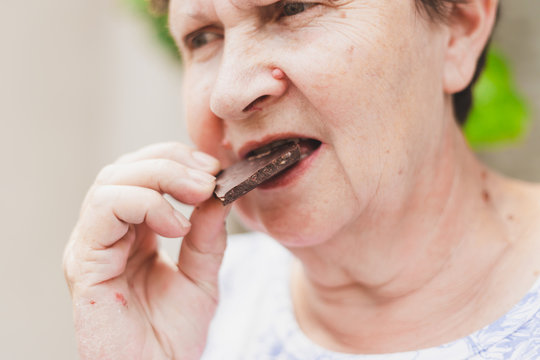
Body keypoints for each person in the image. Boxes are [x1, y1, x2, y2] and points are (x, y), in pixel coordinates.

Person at [63, 0, 540, 358]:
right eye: (203, 37)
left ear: (459, 25)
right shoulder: (189, 310)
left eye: (293, 7)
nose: (228, 94)